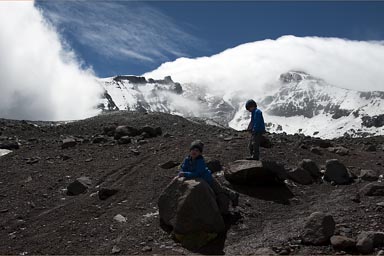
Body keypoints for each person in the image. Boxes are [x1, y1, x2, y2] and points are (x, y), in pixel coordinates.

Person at [178, 140, 239, 213]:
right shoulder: (187, 159)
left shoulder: (200, 161)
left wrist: (185, 174)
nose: (194, 152)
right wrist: (181, 172)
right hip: (201, 180)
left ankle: (233, 195)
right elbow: (183, 167)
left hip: (208, 179)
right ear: (190, 151)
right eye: (193, 150)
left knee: (220, 190)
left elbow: (197, 173)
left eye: (197, 151)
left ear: (200, 153)